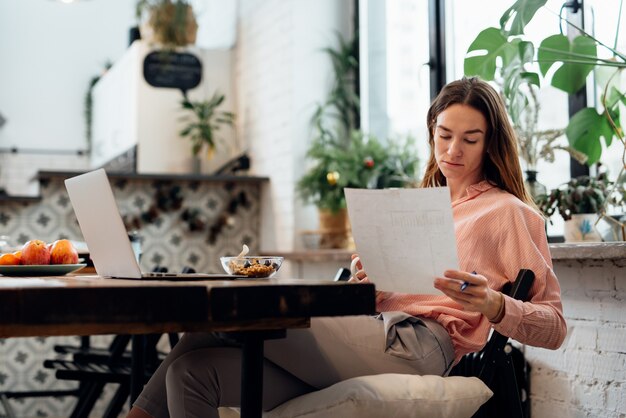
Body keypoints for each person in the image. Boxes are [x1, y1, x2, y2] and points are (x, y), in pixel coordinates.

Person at [127, 77, 567, 418]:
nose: (453, 150)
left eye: (470, 139)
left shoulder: (506, 212)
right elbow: (392, 292)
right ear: (431, 130)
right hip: (369, 333)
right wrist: (370, 283)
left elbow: (555, 326)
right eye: (444, 134)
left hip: (419, 346)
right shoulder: (417, 206)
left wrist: (492, 303)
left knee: (226, 311)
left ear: (490, 143)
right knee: (193, 374)